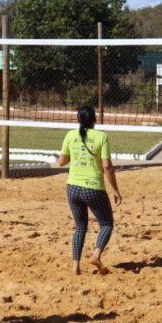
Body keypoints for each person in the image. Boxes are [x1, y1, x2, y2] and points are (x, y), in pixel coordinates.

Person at [56, 105, 123, 275]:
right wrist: (115, 190)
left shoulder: (70, 135)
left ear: (78, 119)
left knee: (80, 227)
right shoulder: (101, 136)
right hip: (93, 188)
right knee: (106, 224)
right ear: (95, 119)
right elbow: (107, 166)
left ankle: (76, 266)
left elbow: (61, 162)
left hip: (72, 188)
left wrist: (77, 153)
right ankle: (96, 255)